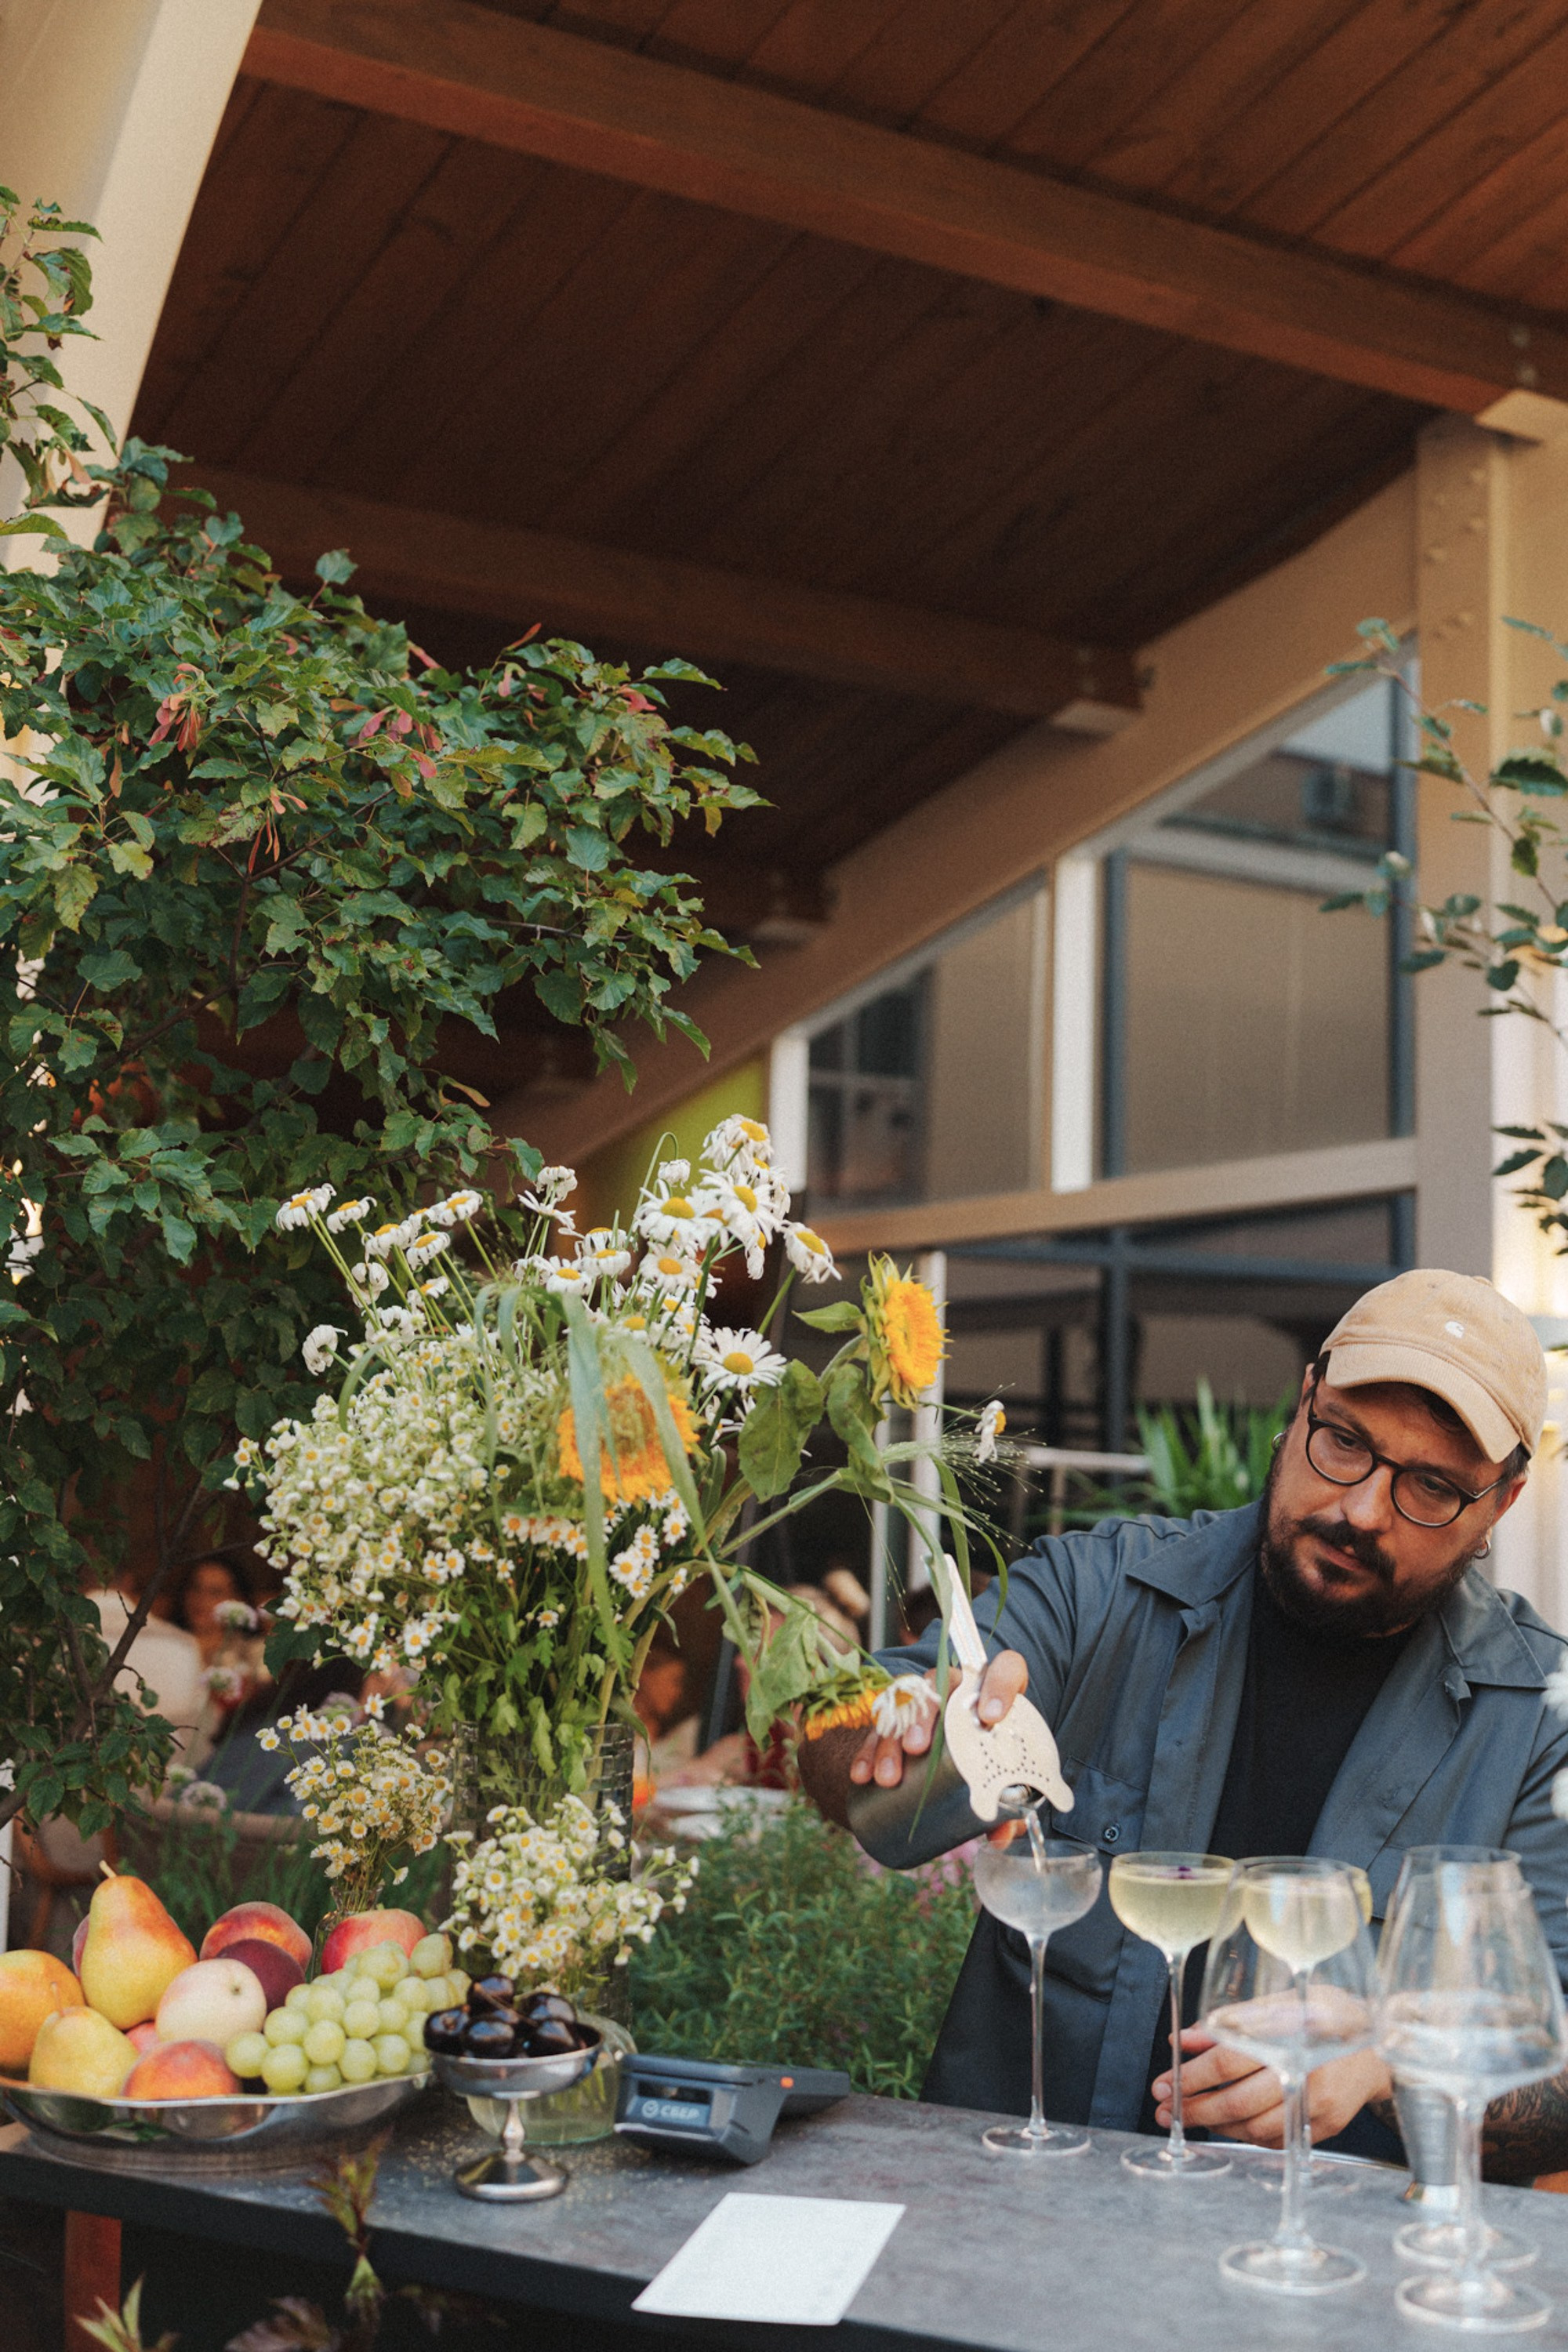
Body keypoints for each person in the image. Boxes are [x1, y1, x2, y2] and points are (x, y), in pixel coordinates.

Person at [799, 1270, 1568, 2182]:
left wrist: (1377, 2069)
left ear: (1500, 1504)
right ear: (1304, 1401)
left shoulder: (1537, 1720)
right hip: (1024, 2213)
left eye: (1430, 1488)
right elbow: (842, 1736)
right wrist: (911, 1725)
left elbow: (1552, 2086)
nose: (1360, 1510)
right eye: (1343, 1444)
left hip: (1335, 2264)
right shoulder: (1099, 1590)